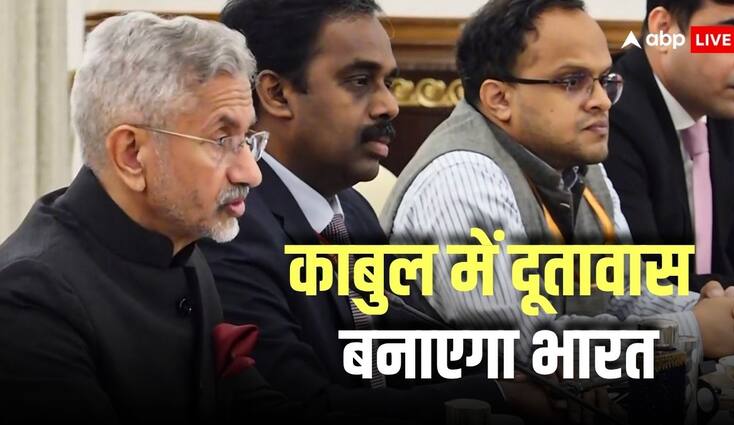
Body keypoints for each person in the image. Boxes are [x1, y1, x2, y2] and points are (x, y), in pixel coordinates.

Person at [199, 1, 570, 423]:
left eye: (388, 83)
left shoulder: (352, 211)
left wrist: (531, 374)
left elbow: (409, 352)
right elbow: (302, 405)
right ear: (277, 94)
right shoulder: (231, 226)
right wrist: (500, 394)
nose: (389, 106)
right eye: (360, 81)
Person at [381, 0, 734, 363]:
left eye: (604, 80)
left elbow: (625, 293)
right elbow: (525, 350)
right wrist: (691, 330)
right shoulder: (462, 180)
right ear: (499, 98)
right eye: (573, 81)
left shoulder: (577, 165)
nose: (602, 101)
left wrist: (723, 313)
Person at [0, 11, 301, 424]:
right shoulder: (30, 298)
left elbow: (244, 401)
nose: (251, 173)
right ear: (132, 154)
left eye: (247, 139)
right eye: (221, 140)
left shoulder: (181, 245)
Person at [604, 0, 734, 291]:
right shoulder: (608, 116)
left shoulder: (727, 112)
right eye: (733, 37)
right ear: (664, 30)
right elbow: (646, 285)